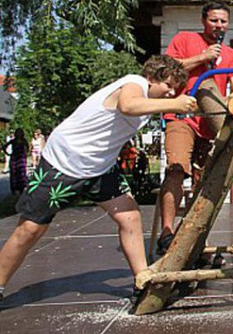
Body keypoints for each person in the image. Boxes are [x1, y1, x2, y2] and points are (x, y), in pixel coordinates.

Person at [0, 56, 196, 304]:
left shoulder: (148, 98)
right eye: (168, 85)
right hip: (64, 162)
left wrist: (201, 63)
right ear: (151, 77)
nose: (171, 92)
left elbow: (173, 71)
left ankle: (143, 281)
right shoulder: (134, 83)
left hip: (100, 168)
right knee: (30, 229)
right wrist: (175, 104)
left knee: (130, 216)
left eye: (175, 89)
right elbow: (128, 106)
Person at [158, 1, 233, 255]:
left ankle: (192, 237)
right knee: (177, 169)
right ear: (203, 21)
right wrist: (202, 57)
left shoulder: (232, 54)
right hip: (182, 116)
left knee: (206, 181)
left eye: (223, 21)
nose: (219, 25)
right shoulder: (184, 39)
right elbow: (167, 72)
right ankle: (167, 232)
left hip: (211, 122)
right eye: (214, 20)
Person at [4, 129, 28, 195]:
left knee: (22, 173)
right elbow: (4, 147)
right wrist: (8, 154)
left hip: (21, 159)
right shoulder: (13, 141)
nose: (19, 134)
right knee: (14, 173)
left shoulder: (24, 141)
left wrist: (25, 154)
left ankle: (21, 188)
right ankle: (14, 189)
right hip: (14, 159)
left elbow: (28, 148)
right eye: (18, 133)